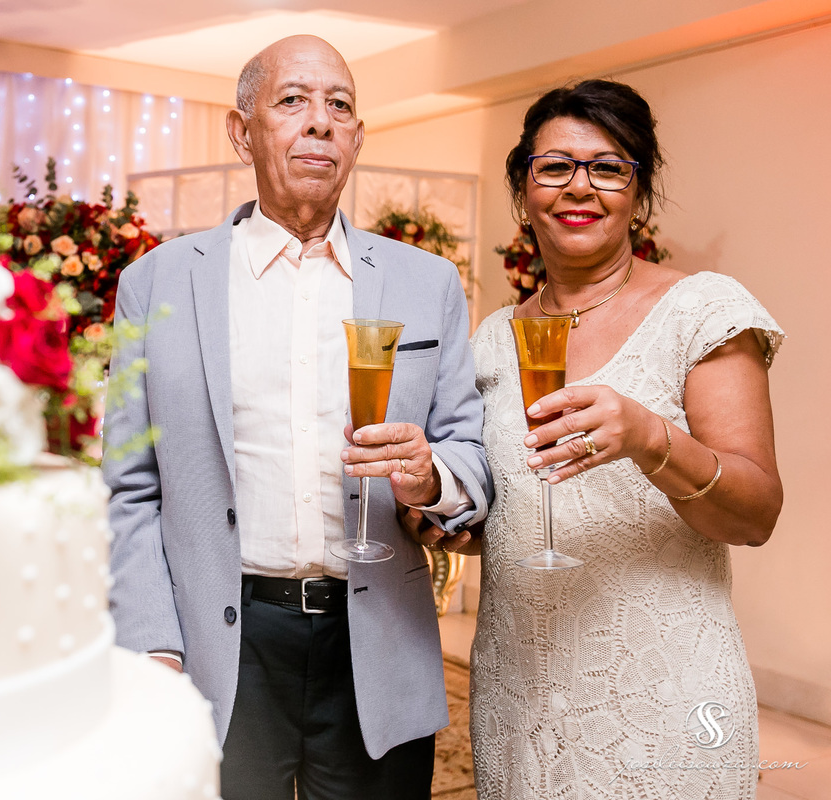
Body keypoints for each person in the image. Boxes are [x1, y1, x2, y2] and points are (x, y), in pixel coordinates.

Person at [102, 34, 492, 800]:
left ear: (357, 139)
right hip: (223, 645)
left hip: (378, 642)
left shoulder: (426, 283)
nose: (320, 121)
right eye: (292, 101)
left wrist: (432, 476)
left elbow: (471, 454)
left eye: (339, 106)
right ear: (241, 129)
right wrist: (153, 644)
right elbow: (130, 486)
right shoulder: (157, 283)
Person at [407, 79, 784, 798]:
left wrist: (649, 438)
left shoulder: (700, 311)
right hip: (521, 688)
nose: (580, 187)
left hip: (663, 693)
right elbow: (519, 509)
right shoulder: (491, 340)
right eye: (554, 166)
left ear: (639, 192)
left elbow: (756, 514)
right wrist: (450, 517)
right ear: (524, 190)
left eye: (608, 167)